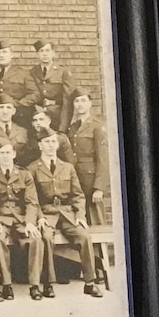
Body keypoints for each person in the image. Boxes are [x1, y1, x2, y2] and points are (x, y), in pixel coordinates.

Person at [29, 127, 103, 298]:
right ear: (40, 145)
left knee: (84, 236)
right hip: (47, 213)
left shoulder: (68, 167)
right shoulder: (32, 168)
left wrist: (80, 216)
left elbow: (78, 195)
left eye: (53, 142)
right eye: (47, 142)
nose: (50, 145)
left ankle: (90, 282)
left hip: (67, 213)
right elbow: (32, 199)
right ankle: (48, 284)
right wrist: (39, 218)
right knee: (46, 237)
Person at [0, 140, 45, 300]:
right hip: (2, 218)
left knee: (36, 239)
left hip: (21, 219)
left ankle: (35, 285)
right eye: (2, 153)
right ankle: (6, 285)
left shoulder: (24, 175)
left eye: (8, 152)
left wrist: (30, 222)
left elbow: (32, 202)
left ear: (14, 154)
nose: (5, 156)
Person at [66, 88, 110, 225]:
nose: (80, 104)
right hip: (75, 177)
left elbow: (103, 159)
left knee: (95, 219)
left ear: (90, 103)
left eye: (83, 101)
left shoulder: (97, 126)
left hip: (91, 180)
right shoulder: (72, 127)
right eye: (76, 101)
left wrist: (99, 188)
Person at [29, 40, 75, 133]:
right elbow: (31, 95)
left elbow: (68, 101)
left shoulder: (63, 71)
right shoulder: (33, 72)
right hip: (39, 118)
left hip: (57, 117)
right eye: (41, 51)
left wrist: (62, 128)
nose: (45, 54)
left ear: (53, 53)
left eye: (47, 50)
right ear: (37, 54)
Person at [0, 40, 40, 125]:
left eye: (4, 52)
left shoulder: (23, 74)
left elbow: (35, 94)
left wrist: (17, 104)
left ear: (11, 54)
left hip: (19, 116)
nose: (1, 55)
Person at [0, 93, 28, 159]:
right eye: (1, 107)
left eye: (8, 107)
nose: (5, 111)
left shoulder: (22, 132)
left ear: (13, 111)